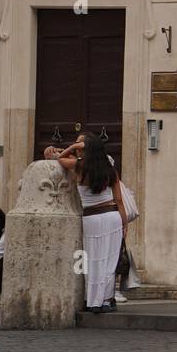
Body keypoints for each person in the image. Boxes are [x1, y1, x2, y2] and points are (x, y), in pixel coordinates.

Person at [52, 134, 127, 312]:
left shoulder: (79, 167)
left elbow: (61, 158)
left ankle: (92, 300)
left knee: (91, 260)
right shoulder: (110, 170)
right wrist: (125, 224)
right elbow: (119, 201)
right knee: (109, 260)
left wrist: (72, 146)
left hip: (91, 218)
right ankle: (106, 301)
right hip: (112, 216)